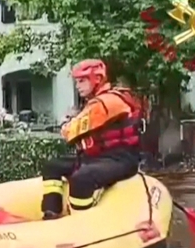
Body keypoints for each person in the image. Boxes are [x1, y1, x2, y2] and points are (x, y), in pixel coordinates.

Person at [41, 59, 144, 220]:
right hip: (98, 157)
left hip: (120, 159)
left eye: (82, 81)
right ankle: (51, 213)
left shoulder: (107, 102)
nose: (77, 86)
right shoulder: (96, 101)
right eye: (76, 81)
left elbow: (71, 132)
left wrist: (66, 125)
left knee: (82, 178)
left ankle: (81, 223)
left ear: (97, 79)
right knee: (52, 166)